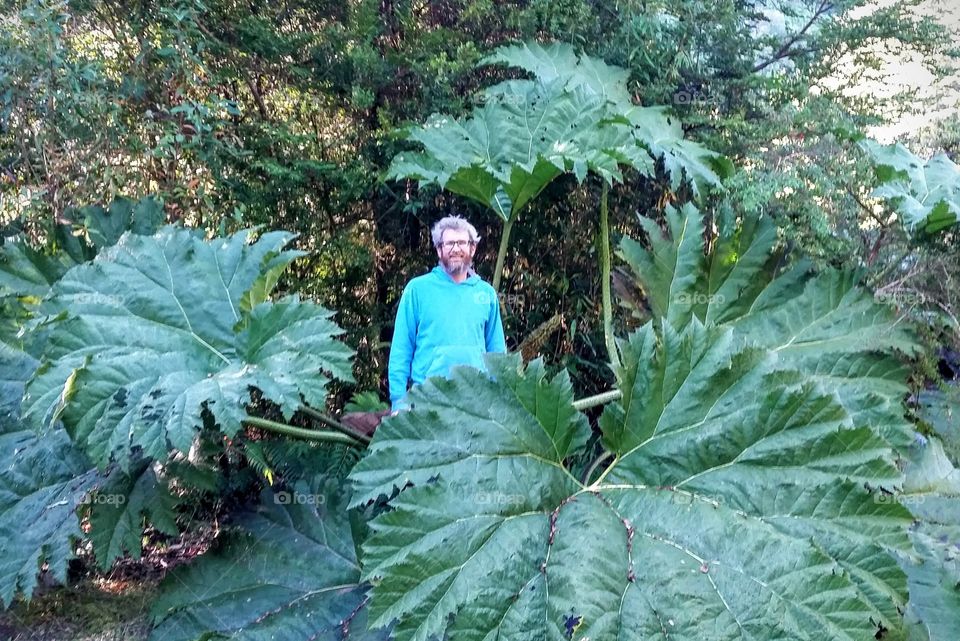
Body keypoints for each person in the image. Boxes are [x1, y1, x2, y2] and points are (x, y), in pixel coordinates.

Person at [388, 215, 506, 411]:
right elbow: (401, 349)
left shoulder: (486, 294)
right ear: (439, 249)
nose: (456, 249)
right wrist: (398, 402)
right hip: (428, 401)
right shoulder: (417, 290)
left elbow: (497, 352)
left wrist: (499, 401)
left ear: (472, 248)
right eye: (449, 243)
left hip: (476, 402)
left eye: (461, 243)